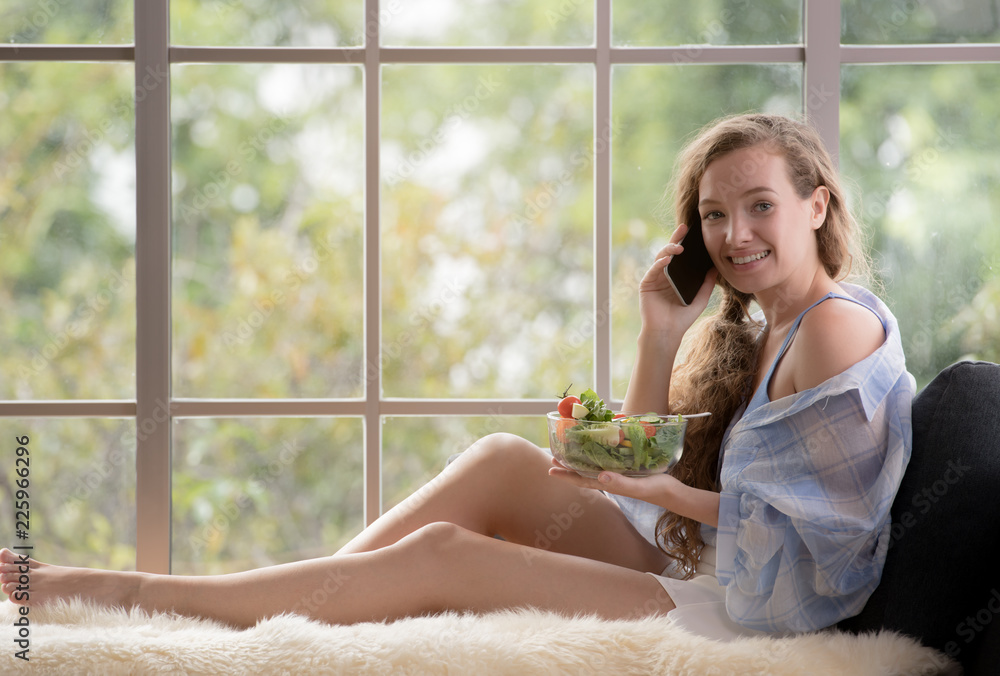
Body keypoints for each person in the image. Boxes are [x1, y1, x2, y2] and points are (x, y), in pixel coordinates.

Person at [1, 113, 914, 638]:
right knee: (498, 462)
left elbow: (820, 536)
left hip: (754, 611)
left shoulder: (833, 332)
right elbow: (640, 481)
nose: (735, 234)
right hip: (724, 566)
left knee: (442, 556)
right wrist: (660, 333)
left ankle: (151, 597)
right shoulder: (770, 327)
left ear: (818, 203)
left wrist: (667, 487)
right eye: (714, 215)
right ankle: (284, 615)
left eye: (761, 206)